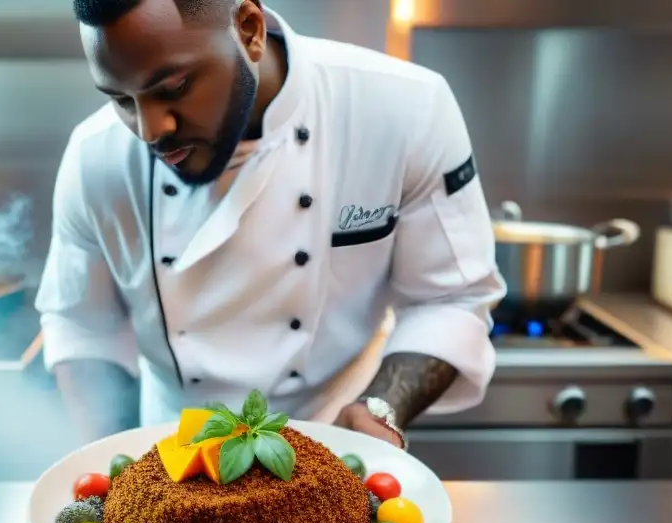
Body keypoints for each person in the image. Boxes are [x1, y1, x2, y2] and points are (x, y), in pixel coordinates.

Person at [36, 0, 506, 449]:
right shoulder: (95, 158)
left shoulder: (403, 109)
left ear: (249, 31)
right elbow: (84, 328)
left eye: (174, 87)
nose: (149, 129)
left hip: (337, 447)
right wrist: (112, 467)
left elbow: (452, 298)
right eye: (121, 98)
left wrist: (378, 410)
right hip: (171, 463)